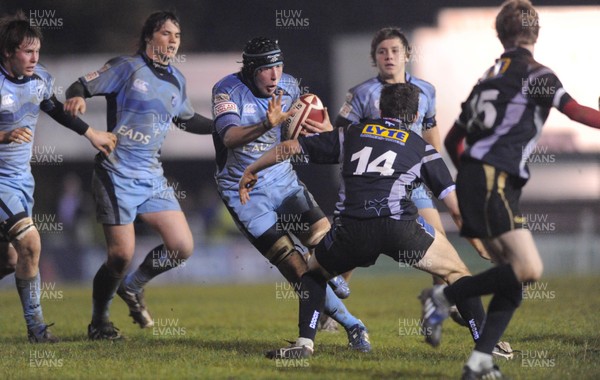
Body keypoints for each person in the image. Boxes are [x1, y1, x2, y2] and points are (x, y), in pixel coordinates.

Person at [239, 82, 486, 359]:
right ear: (415, 117)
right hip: (398, 228)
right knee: (457, 274)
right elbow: (455, 208)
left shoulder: (350, 134)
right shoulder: (421, 147)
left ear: (380, 109)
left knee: (313, 274)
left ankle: (305, 343)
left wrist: (252, 168)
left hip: (352, 229)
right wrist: (478, 243)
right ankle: (487, 347)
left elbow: (290, 147)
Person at [422, 1, 600, 378]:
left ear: (501, 34)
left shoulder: (488, 77)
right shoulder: (537, 73)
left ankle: (480, 361)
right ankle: (444, 296)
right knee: (528, 268)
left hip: (479, 179)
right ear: (536, 33)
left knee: (513, 280)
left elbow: (454, 138)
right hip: (493, 180)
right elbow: (577, 112)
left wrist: (472, 170)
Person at [212, 37, 370, 352]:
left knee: (326, 241)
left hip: (283, 181)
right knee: (298, 271)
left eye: (278, 66)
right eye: (266, 69)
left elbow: (307, 128)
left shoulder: (290, 87)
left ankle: (330, 269)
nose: (274, 75)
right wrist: (264, 123)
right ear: (251, 68)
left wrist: (316, 127)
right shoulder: (226, 90)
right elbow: (229, 137)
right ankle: (355, 326)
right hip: (244, 193)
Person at [64, 11, 212, 340]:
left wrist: (222, 128)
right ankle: (99, 321)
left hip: (151, 176)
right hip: (115, 172)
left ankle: (133, 286)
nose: (173, 40)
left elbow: (186, 119)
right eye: (165, 33)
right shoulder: (126, 68)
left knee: (182, 246)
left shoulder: (177, 80)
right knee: (120, 255)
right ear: (149, 38)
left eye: (177, 35)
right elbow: (81, 85)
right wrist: (76, 96)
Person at [0, 12, 116, 343]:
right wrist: (4, 137)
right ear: (8, 52)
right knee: (31, 243)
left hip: (22, 182)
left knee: (10, 261)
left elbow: (54, 109)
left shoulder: (39, 80)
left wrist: (91, 132)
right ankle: (36, 330)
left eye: (37, 51)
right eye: (27, 51)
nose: (35, 58)